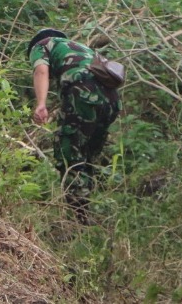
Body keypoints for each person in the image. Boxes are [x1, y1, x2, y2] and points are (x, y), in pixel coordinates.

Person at [28, 28, 122, 220]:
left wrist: (41, 104)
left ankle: (78, 218)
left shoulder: (42, 45)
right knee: (87, 155)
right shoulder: (81, 49)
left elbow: (41, 70)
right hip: (112, 100)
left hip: (85, 91)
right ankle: (91, 210)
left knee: (67, 149)